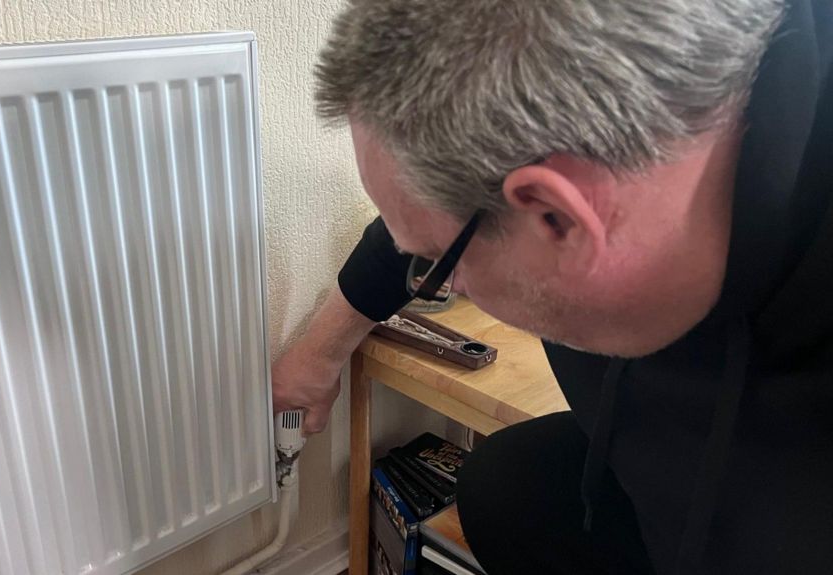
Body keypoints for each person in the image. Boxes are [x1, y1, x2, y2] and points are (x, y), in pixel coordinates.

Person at [271, 0, 833, 573]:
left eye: (436, 265)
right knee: (510, 485)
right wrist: (319, 354)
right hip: (667, 477)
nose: (423, 268)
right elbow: (431, 222)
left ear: (559, 219)